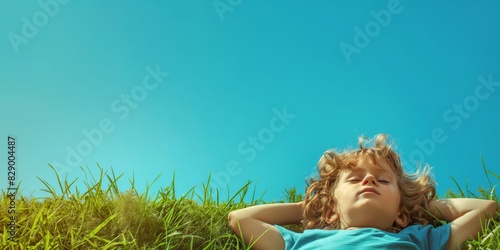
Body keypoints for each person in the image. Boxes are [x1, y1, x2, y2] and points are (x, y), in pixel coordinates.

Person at [227, 134, 498, 250]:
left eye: (383, 181)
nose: (369, 179)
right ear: (331, 211)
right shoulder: (303, 242)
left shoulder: (419, 238)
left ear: (401, 216)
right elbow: (240, 219)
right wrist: (312, 207)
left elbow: (485, 209)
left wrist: (417, 206)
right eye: (355, 179)